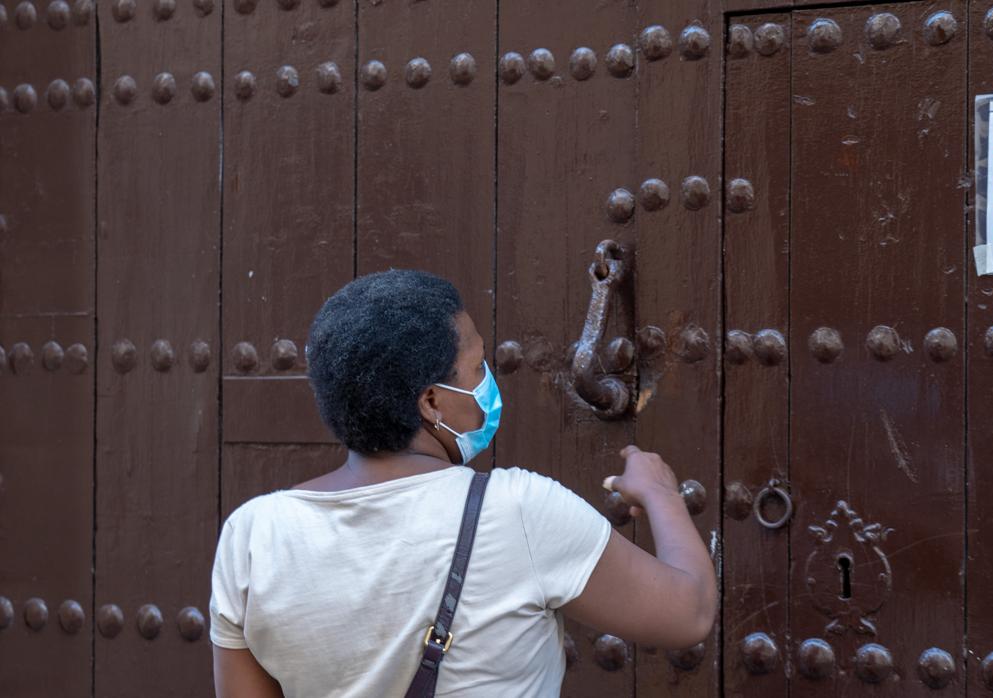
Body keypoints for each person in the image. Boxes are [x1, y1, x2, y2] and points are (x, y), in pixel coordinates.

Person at [210, 270, 717, 697]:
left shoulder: (252, 533)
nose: (488, 381)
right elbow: (688, 614)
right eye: (477, 366)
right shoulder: (518, 509)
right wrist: (660, 494)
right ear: (431, 402)